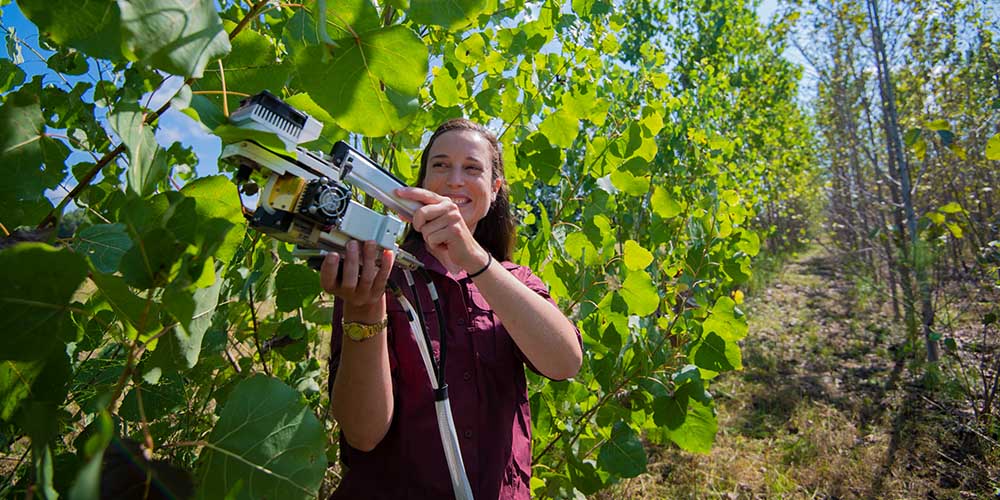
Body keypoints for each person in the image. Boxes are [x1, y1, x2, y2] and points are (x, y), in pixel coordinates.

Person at [320, 118, 583, 499]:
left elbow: (565, 362)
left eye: (472, 168)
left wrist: (474, 259)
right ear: (423, 184)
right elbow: (363, 433)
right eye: (440, 165)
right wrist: (364, 311)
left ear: (494, 189)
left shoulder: (516, 281)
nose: (455, 179)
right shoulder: (380, 273)